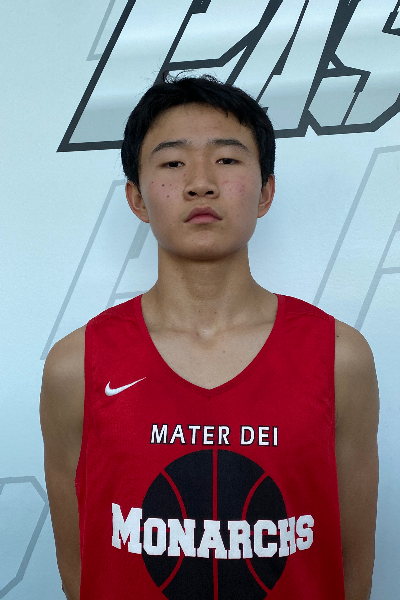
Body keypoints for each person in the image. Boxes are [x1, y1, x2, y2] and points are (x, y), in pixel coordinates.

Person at [40, 75, 379, 600]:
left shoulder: (338, 358)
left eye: (226, 159)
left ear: (265, 192)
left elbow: (350, 568)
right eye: (173, 163)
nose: (200, 183)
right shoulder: (76, 367)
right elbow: (81, 571)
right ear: (136, 198)